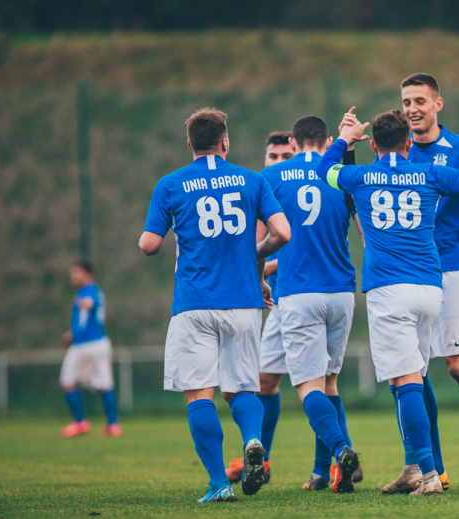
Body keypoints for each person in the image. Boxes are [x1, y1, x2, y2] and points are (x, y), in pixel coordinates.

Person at [316, 99, 459, 495]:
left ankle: (429, 475)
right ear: (408, 144)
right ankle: (419, 469)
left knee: (406, 380)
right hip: (431, 289)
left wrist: (343, 140)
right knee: (415, 378)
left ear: (374, 146)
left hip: (389, 290)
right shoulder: (431, 174)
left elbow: (324, 170)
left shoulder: (358, 177)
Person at [139, 108, 291, 503]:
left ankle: (218, 483)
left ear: (189, 144)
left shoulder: (170, 184)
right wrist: (253, 256)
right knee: (242, 388)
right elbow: (282, 233)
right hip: (242, 303)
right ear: (226, 141)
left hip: (194, 304)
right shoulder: (252, 180)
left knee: (198, 393)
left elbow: (150, 245)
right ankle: (254, 441)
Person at [259, 116, 364, 494]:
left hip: (298, 292)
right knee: (330, 382)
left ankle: (341, 450)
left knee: (307, 386)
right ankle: (323, 473)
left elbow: (260, 240)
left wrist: (258, 277)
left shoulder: (271, 177)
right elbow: (366, 233)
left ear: (293, 140)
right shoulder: (341, 175)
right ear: (328, 141)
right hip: (341, 291)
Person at [225, 131, 293, 485]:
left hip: (303, 295)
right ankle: (260, 459)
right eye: (273, 156)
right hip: (277, 299)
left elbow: (306, 248)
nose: (279, 162)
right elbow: (255, 247)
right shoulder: (257, 192)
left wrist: (263, 268)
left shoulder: (297, 190)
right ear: (264, 159)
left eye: (286, 155)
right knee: (265, 381)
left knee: (322, 384)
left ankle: (330, 461)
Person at [59, 260, 120, 438]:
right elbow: (85, 318)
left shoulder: (88, 291)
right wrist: (71, 334)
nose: (74, 277)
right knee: (104, 384)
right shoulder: (94, 290)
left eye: (77, 273)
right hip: (100, 343)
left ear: (88, 274)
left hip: (85, 345)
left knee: (67, 381)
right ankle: (113, 425)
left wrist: (85, 304)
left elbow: (89, 303)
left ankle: (80, 422)